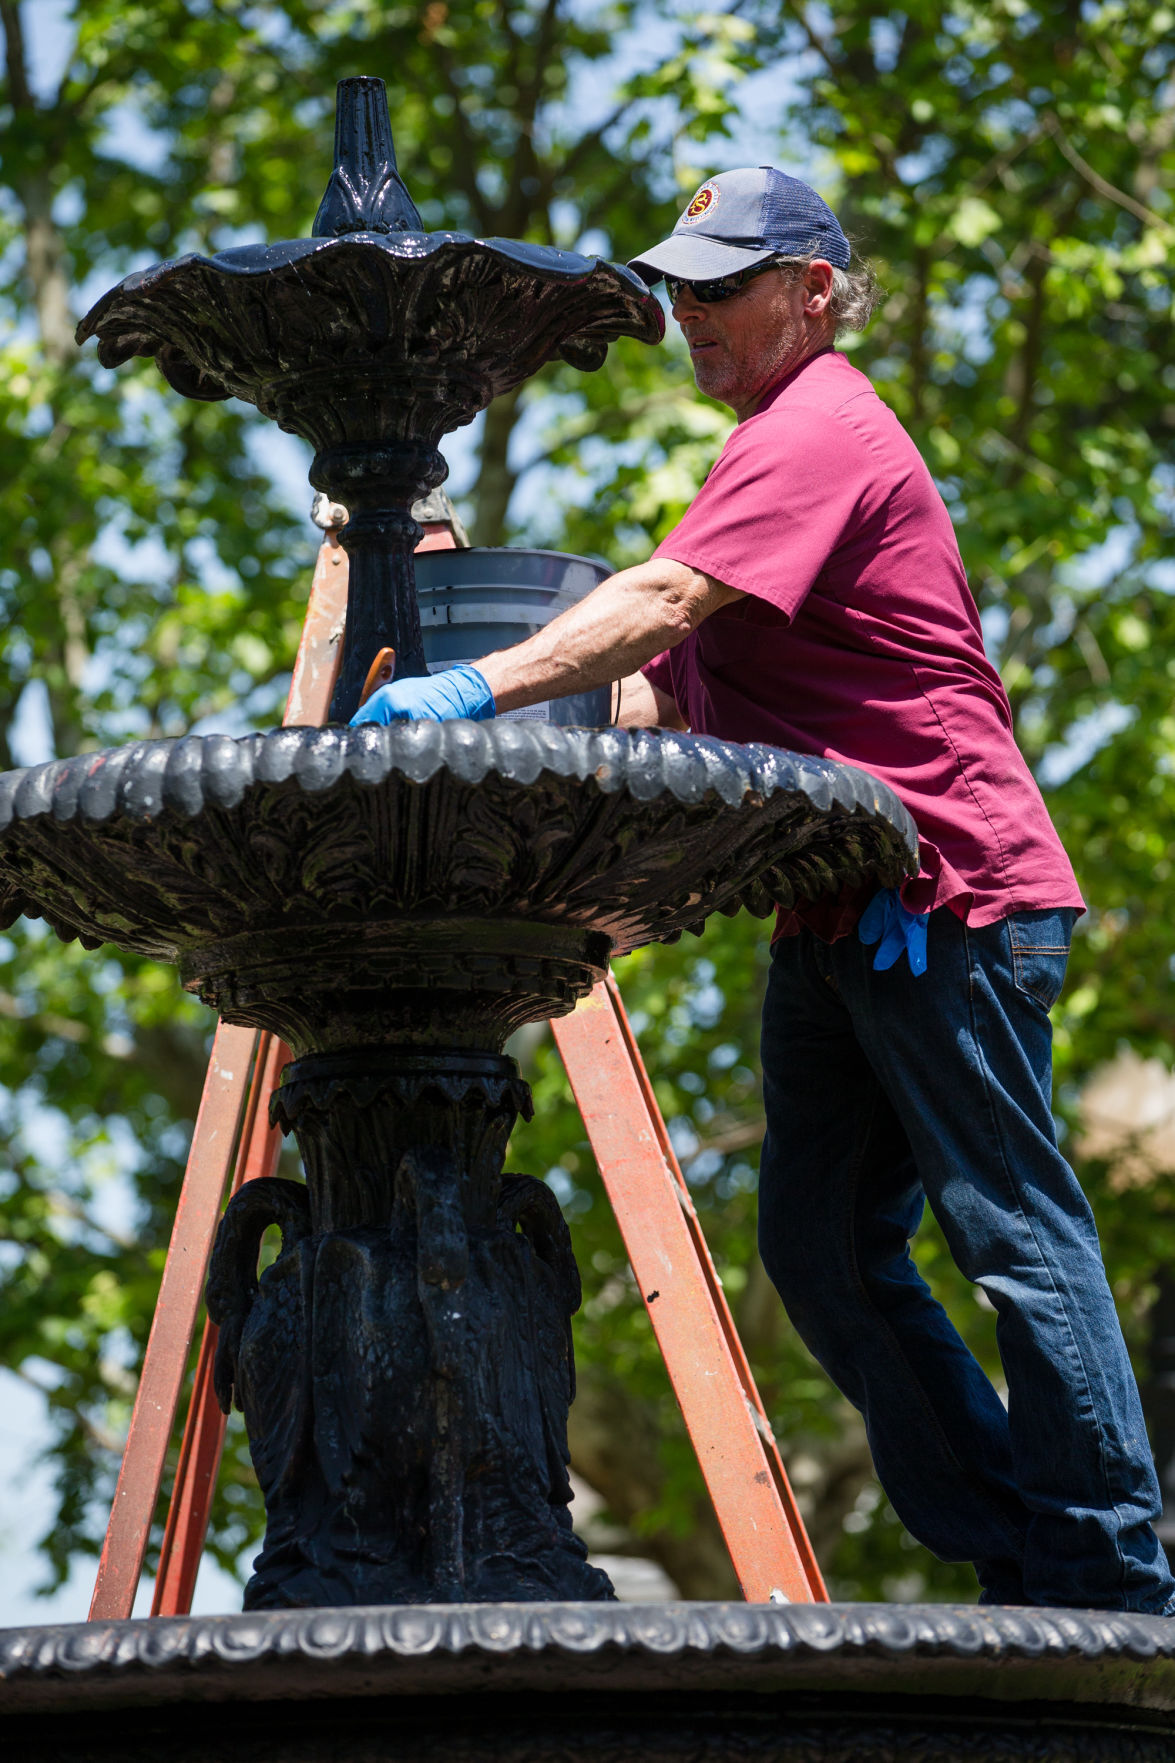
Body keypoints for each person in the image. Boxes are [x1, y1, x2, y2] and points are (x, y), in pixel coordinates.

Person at [352, 166, 1175, 1614]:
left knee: (1015, 1237)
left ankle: (1115, 1570)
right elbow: (659, 700)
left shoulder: (824, 427)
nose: (689, 315)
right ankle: (1015, 1542)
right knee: (817, 1248)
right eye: (677, 289)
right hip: (841, 909)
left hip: (950, 900)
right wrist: (443, 605)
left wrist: (475, 683)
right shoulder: (757, 457)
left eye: (720, 286)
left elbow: (663, 604)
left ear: (810, 289)